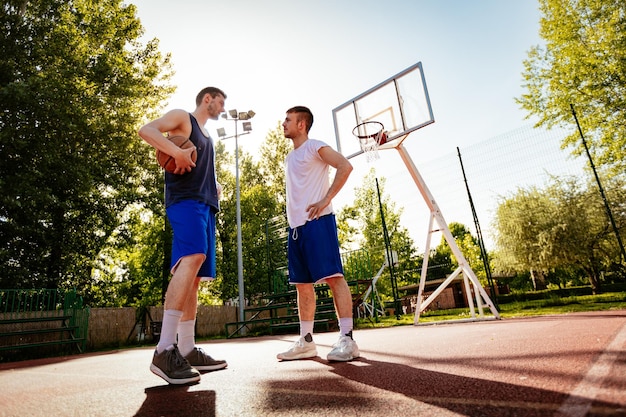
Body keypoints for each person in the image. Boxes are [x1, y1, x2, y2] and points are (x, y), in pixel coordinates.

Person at [138, 87, 228, 384]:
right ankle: (164, 349)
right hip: (184, 200)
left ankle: (187, 349)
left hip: (205, 205)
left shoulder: (208, 137)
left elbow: (202, 168)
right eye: (220, 102)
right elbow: (146, 129)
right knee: (191, 259)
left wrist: (215, 186)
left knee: (196, 277)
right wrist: (174, 151)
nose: (222, 107)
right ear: (208, 99)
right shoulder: (182, 118)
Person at [277, 106, 360, 362]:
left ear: (301, 124)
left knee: (334, 278)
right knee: (302, 285)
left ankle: (347, 338)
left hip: (318, 222)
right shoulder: (290, 158)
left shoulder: (315, 146)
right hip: (296, 228)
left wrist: (326, 199)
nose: (283, 123)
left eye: (288, 120)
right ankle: (307, 341)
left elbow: (344, 166)